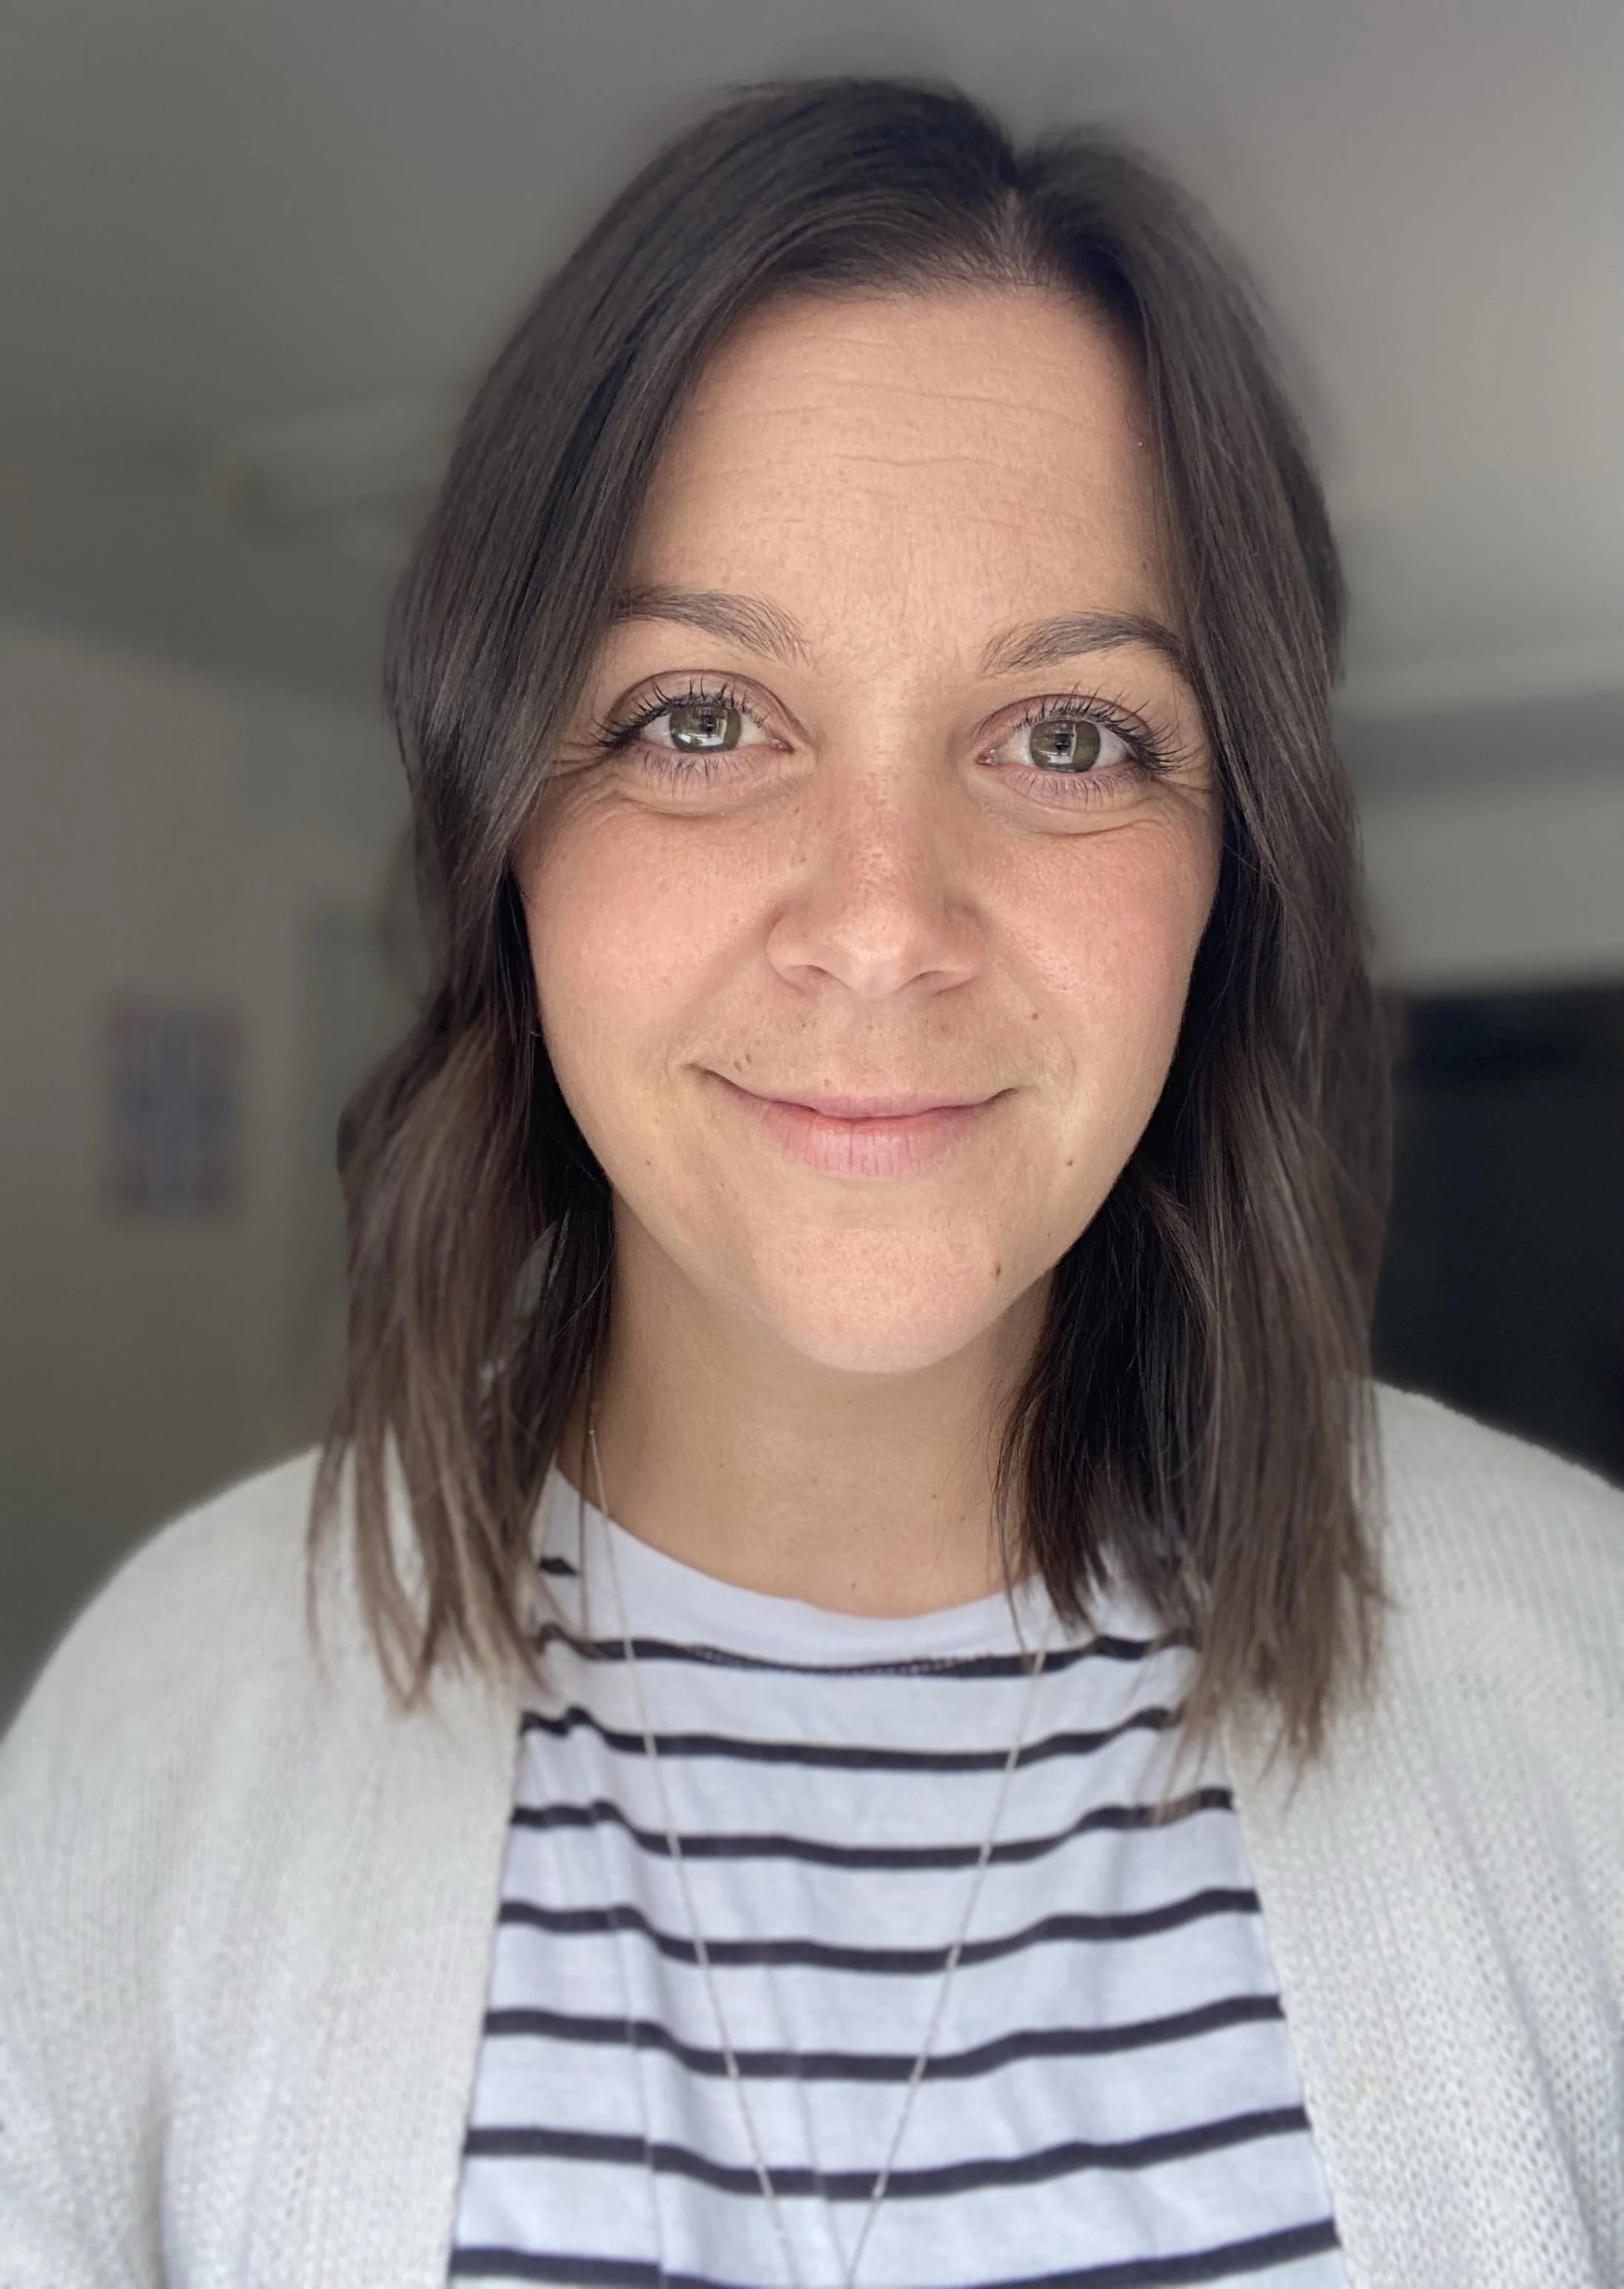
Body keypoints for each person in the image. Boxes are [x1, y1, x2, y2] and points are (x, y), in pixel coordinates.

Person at [1, 74, 1620, 2289]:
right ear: (507, 826)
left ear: (1231, 860)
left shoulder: (1577, 1680)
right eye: (699, 718)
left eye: (1070, 736)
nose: (879, 926)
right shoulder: (168, 1727)